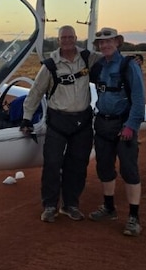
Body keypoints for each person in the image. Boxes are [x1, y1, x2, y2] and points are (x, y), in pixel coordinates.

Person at [20, 25, 100, 223]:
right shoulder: (50, 65)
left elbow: (110, 58)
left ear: (75, 38)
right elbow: (36, 92)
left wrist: (132, 60)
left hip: (82, 121)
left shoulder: (88, 57)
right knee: (52, 164)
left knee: (78, 165)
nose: (67, 40)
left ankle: (70, 205)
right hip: (58, 122)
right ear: (58, 40)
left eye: (70, 37)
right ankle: (49, 206)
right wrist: (27, 118)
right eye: (63, 37)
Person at [87, 27, 146, 236]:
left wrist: (131, 126)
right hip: (103, 123)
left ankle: (133, 217)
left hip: (123, 125)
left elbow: (139, 99)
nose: (105, 45)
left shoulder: (129, 65)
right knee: (104, 168)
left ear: (117, 42)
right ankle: (109, 208)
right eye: (101, 43)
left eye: (109, 41)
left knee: (129, 170)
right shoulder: (98, 67)